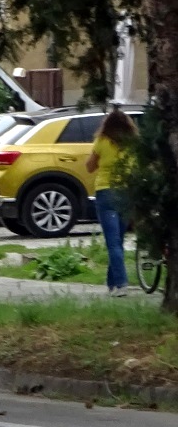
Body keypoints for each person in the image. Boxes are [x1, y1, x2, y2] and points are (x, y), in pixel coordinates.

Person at [86, 108, 137, 297]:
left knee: (112, 242)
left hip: (106, 192)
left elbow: (90, 167)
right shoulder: (133, 144)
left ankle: (122, 284)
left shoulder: (102, 142)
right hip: (126, 193)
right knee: (118, 240)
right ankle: (111, 283)